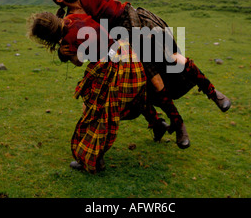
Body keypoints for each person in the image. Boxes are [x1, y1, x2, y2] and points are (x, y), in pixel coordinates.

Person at [49, 0, 231, 149]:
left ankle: (213, 94)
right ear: (59, 0)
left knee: (173, 59)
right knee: (148, 84)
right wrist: (63, 52)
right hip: (121, 44)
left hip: (136, 22)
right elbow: (73, 45)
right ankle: (175, 124)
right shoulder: (70, 20)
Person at [27, 11, 168, 173]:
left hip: (111, 66)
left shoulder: (68, 40)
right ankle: (158, 124)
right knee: (133, 97)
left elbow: (78, 62)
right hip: (126, 54)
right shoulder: (72, 18)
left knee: (97, 110)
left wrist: (63, 53)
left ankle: (94, 158)